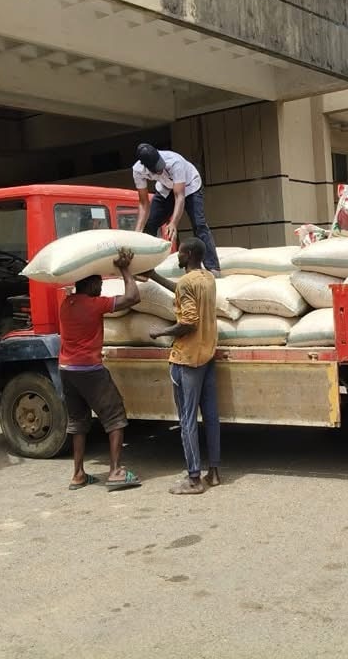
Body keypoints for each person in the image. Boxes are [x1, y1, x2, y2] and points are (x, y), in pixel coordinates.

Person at [59, 248, 142, 491]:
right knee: (115, 417)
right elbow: (133, 297)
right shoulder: (95, 304)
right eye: (99, 284)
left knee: (78, 422)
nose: (102, 288)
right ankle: (115, 472)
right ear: (90, 285)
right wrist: (125, 269)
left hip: (66, 369)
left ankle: (78, 474)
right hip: (90, 369)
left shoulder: (66, 303)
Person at [149, 238, 221, 495]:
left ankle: (193, 479)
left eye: (179, 252)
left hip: (187, 359)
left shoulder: (186, 283)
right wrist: (155, 277)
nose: (177, 256)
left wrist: (161, 332)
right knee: (211, 417)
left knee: (188, 420)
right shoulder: (208, 278)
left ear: (188, 254)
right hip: (207, 355)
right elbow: (183, 289)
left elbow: (189, 322)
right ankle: (214, 472)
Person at [131, 143, 221, 274]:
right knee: (149, 224)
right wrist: (137, 232)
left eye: (161, 166)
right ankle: (145, 269)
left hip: (190, 187)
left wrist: (173, 222)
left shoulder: (175, 162)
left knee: (199, 224)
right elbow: (144, 203)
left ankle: (212, 267)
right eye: (157, 169)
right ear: (146, 167)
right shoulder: (138, 170)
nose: (160, 170)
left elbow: (179, 196)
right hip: (165, 188)